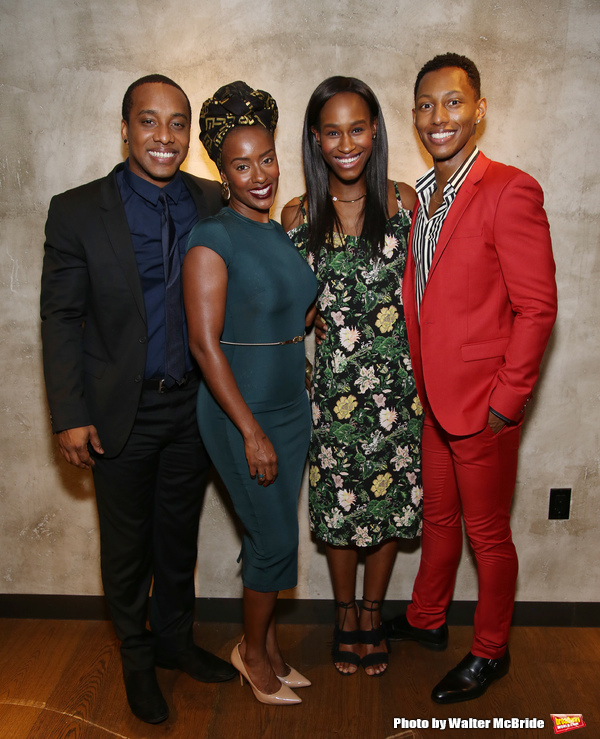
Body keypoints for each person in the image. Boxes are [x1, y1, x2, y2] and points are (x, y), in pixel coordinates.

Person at [40, 74, 237, 725]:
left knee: (178, 538)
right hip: (117, 411)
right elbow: (61, 319)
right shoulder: (75, 211)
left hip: (192, 408)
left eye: (177, 122)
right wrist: (69, 413)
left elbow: (272, 227)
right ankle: (136, 654)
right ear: (125, 129)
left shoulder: (214, 200)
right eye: (149, 121)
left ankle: (177, 642)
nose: (164, 135)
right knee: (126, 547)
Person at [386, 53, 557, 703]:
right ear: (414, 117)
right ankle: (429, 619)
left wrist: (505, 402)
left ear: (479, 110)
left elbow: (537, 306)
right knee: (438, 517)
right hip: (435, 399)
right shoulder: (423, 197)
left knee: (488, 534)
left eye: (453, 103)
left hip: (483, 405)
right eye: (427, 105)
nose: (439, 117)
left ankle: (492, 651)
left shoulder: (511, 189)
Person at [281, 77, 423, 677]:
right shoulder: (297, 213)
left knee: (388, 509)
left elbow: (431, 297)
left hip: (398, 394)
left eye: (357, 129)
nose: (346, 143)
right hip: (332, 397)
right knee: (339, 515)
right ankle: (345, 615)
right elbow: (287, 311)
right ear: (315, 138)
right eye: (332, 131)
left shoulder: (405, 203)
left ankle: (373, 611)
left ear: (375, 132)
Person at [183, 81, 318, 705]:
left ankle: (265, 646)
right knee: (274, 540)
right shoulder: (213, 239)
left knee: (274, 535)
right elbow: (206, 346)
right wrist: (251, 431)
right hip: (243, 412)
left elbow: (289, 309)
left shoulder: (277, 230)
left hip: (291, 406)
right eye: (242, 164)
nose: (259, 174)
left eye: (266, 158)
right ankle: (251, 653)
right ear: (222, 170)